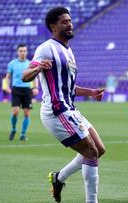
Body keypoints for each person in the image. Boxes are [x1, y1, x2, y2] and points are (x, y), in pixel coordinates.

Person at [22, 7, 105, 203]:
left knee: (99, 149)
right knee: (90, 152)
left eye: (70, 20)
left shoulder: (68, 51)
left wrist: (90, 92)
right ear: (53, 27)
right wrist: (39, 67)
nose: (69, 24)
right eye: (64, 22)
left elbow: (67, 86)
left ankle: (59, 178)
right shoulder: (46, 48)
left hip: (69, 108)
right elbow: (25, 75)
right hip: (56, 111)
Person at [6, 44, 38, 141]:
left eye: (24, 50)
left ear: (27, 52)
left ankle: (23, 134)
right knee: (15, 112)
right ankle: (13, 129)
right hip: (16, 89)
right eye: (20, 51)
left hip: (27, 90)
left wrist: (36, 87)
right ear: (17, 52)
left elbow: (35, 76)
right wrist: (7, 87)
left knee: (26, 113)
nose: (22, 52)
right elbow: (8, 76)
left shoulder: (30, 64)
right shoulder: (12, 63)